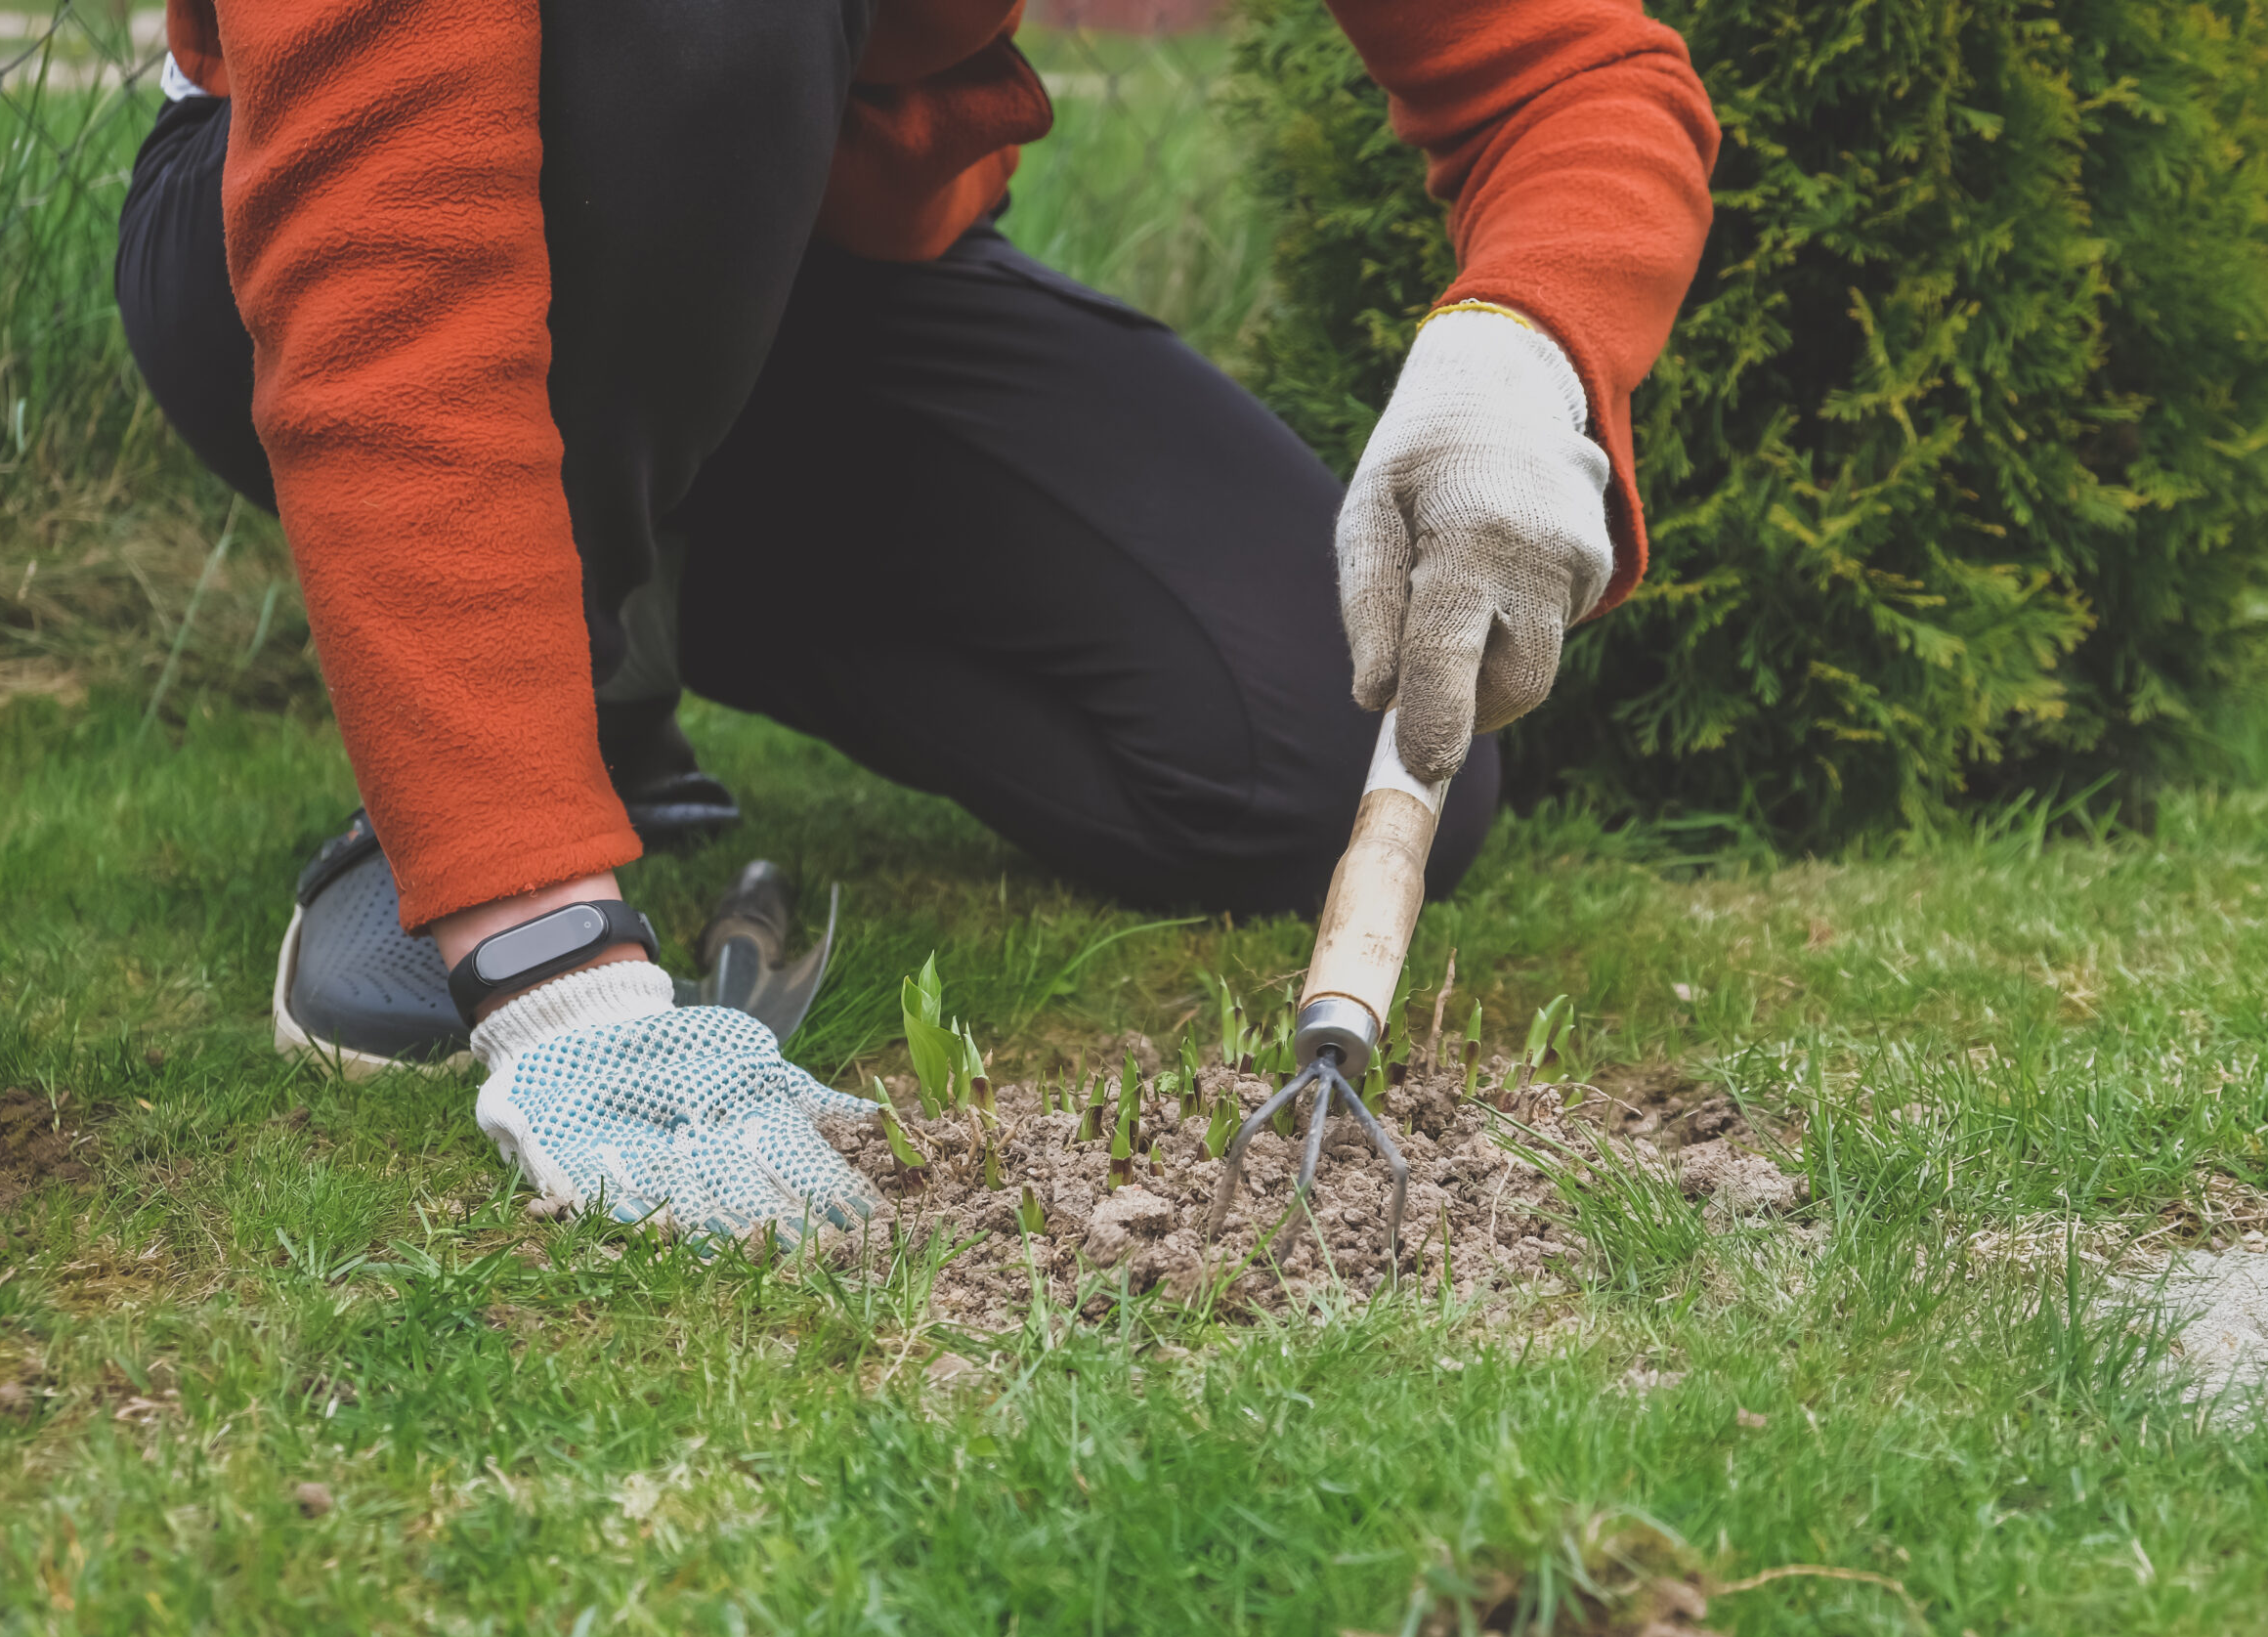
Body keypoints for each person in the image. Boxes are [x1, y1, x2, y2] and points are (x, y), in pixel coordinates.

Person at [115, 0, 1718, 1244]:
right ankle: (513, 760)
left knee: (1309, 752)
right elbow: (387, 258)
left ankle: (594, 601)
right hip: (341, 225)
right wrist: (548, 958)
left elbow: (1571, 74)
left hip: (809, 258)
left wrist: (1525, 354)